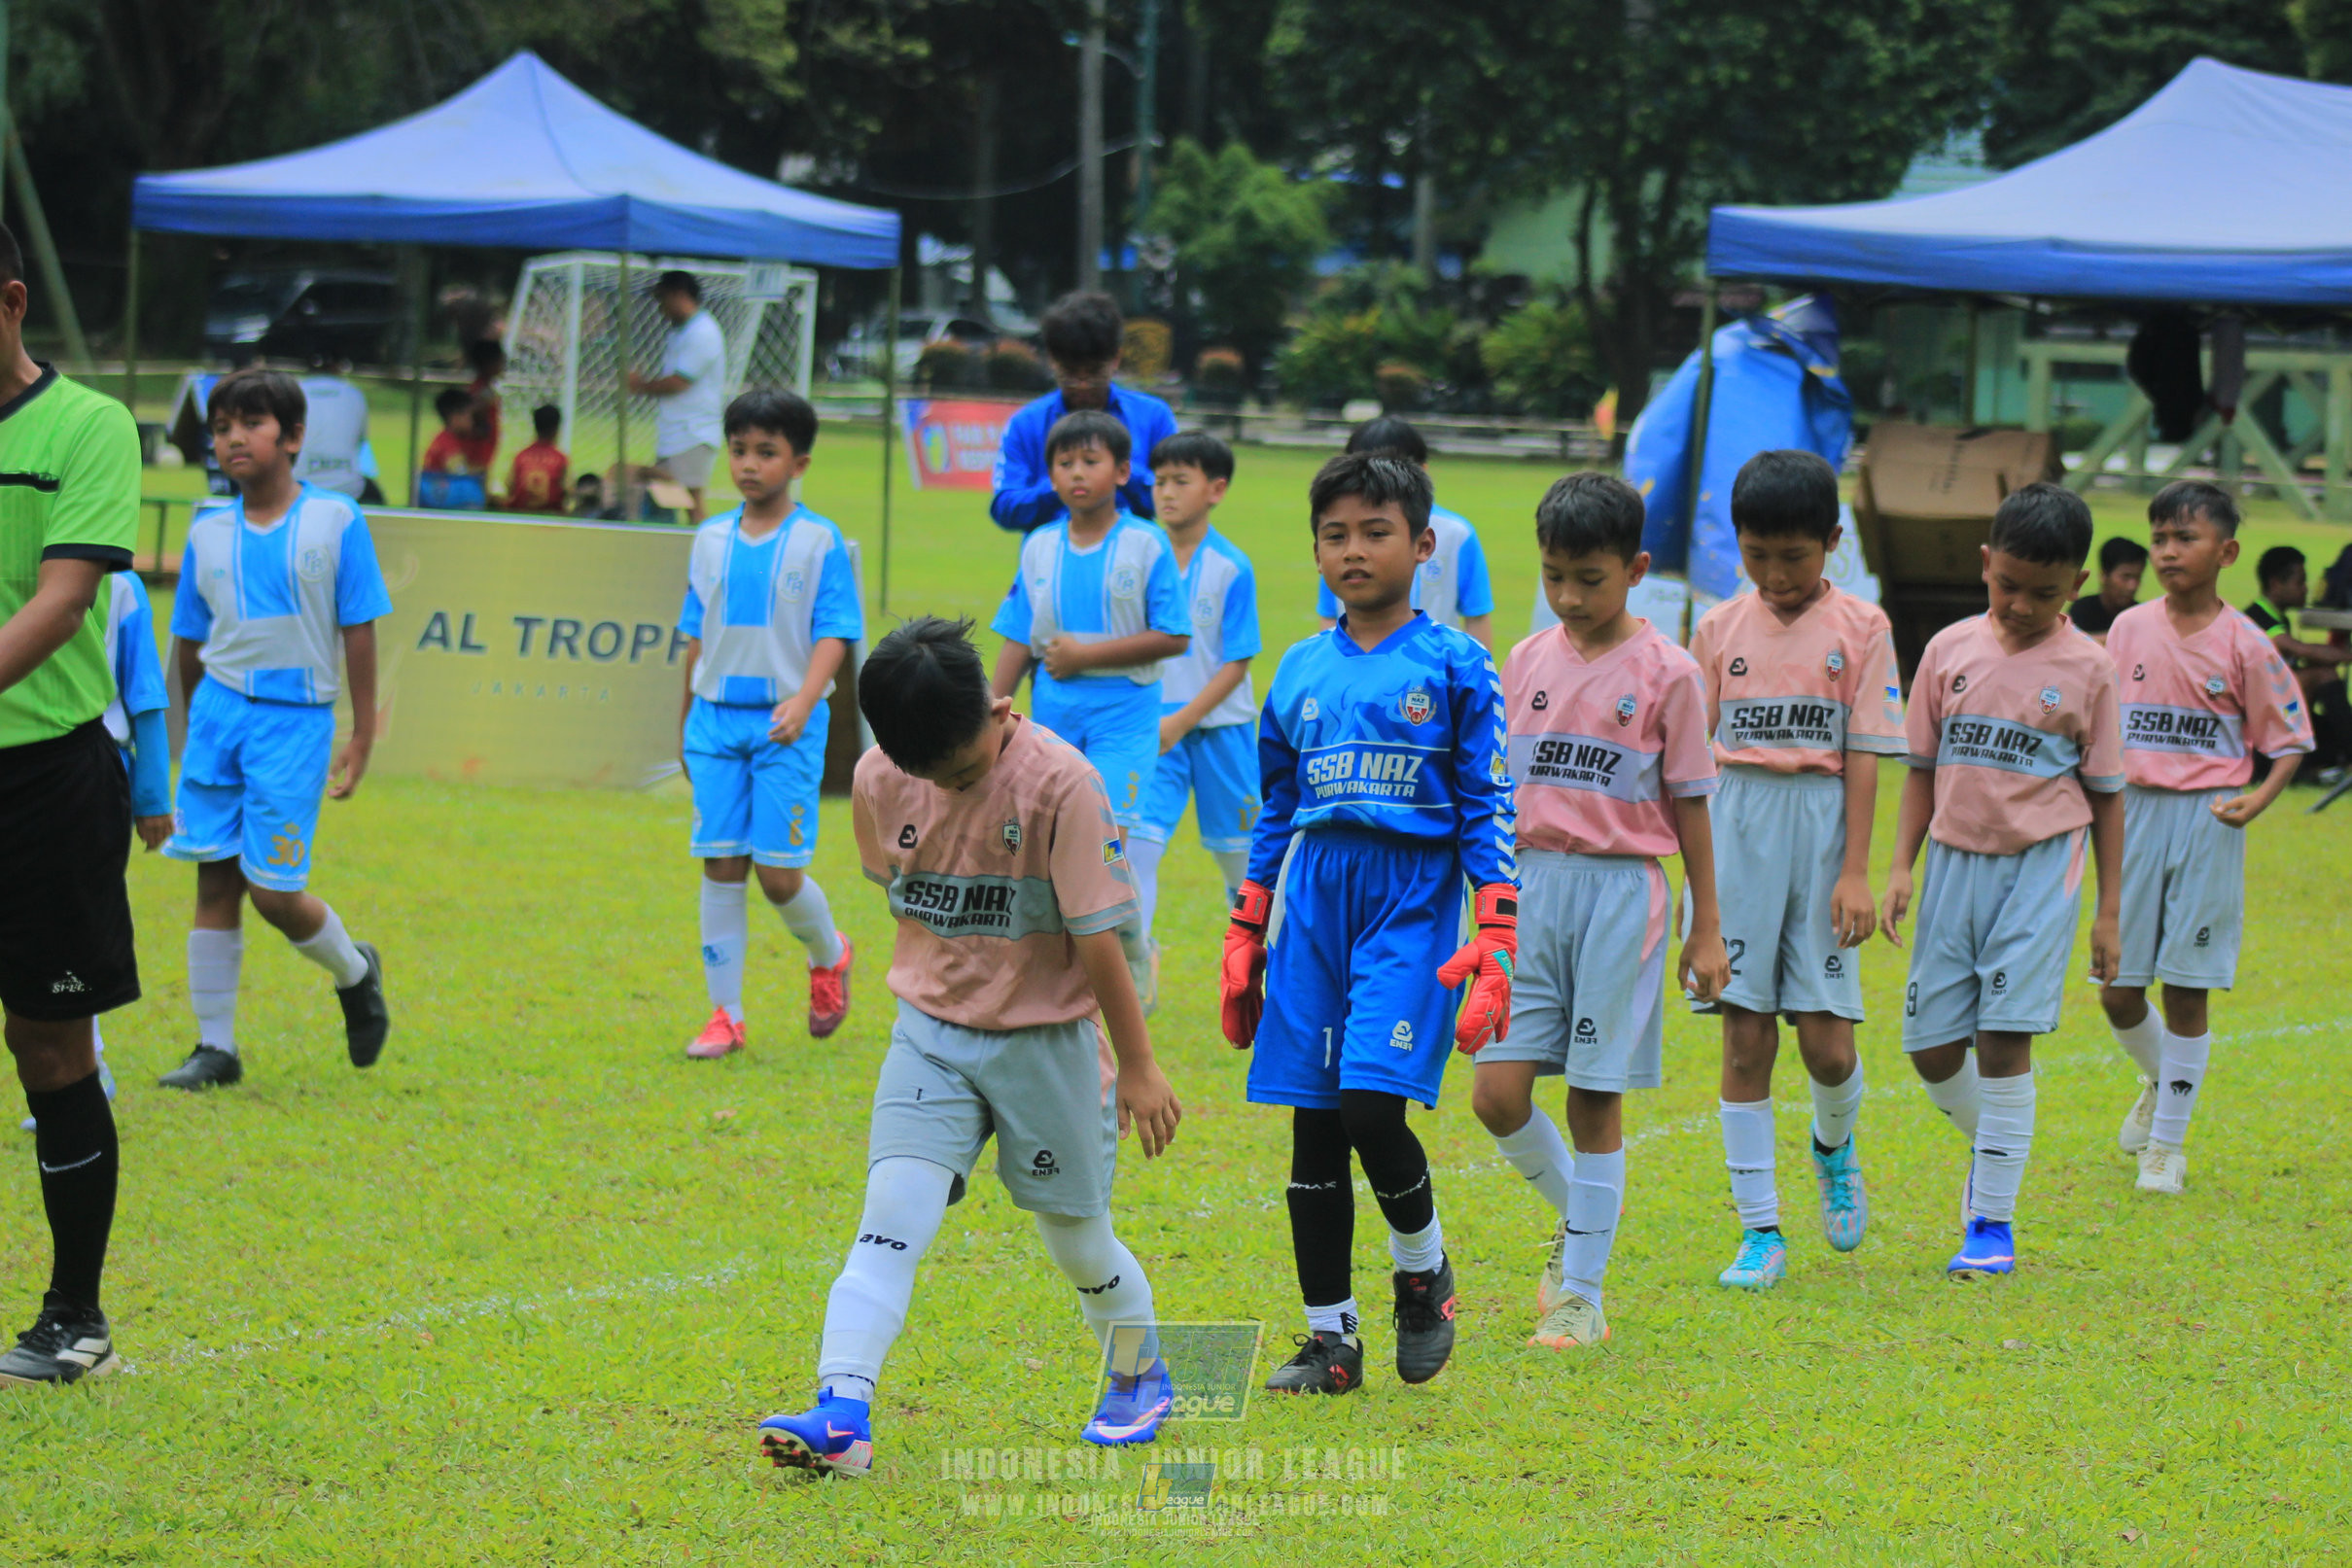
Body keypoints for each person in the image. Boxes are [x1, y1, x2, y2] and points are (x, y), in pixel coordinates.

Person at [757, 616, 1183, 1475]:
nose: (948, 788)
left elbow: (1100, 937)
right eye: (929, 775)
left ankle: (1141, 1376)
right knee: (890, 1220)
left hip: (1047, 1041)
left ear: (996, 707)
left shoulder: (1063, 783)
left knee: (1078, 1240)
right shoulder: (882, 775)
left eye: (961, 770)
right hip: (932, 1034)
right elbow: (896, 880)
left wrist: (1137, 1065)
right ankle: (843, 1410)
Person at [1218, 451, 1514, 1396]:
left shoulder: (1455, 663)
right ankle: (1330, 1340)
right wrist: (1245, 924)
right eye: (1335, 535)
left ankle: (1422, 1273)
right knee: (1311, 1125)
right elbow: (1274, 805)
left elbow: (1487, 802)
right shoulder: (1299, 666)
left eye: (1375, 531)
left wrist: (1496, 931)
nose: (1353, 550)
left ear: (1423, 545)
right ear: (1313, 550)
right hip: (1315, 904)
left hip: (1410, 901)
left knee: (1368, 1105)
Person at [1472, 471, 1731, 1351]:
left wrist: (1705, 923)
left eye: (1590, 577)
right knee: (1496, 1096)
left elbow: (1692, 803)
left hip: (1623, 893)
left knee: (1592, 1098)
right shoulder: (1524, 660)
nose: (1570, 596)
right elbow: (1495, 794)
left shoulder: (1672, 673)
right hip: (1530, 888)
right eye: (1554, 576)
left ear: (1636, 569)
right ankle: (1578, 1221)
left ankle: (1581, 1293)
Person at [1878, 482, 2125, 1279]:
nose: (2020, 604)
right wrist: (1898, 868)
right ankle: (1997, 1150)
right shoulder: (1947, 651)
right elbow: (1920, 770)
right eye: (2006, 584)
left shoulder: (2089, 668)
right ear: (1985, 564)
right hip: (1952, 862)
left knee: (2002, 1037)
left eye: (2043, 593)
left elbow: (2107, 796)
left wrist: (2108, 910)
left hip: (2040, 864)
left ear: (2075, 588)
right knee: (1928, 1046)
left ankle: (1991, 1219)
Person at [1684, 451, 1903, 1290]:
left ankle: (1833, 1146)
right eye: (1757, 554)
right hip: (1738, 828)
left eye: (1794, 556)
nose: (1775, 575)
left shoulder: (1863, 627)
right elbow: (1688, 764)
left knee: (1828, 1051)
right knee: (1743, 1038)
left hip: (1820, 831)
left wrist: (1856, 870)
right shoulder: (1715, 630)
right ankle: (1759, 1231)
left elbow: (1866, 755)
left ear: (1832, 543)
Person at [158, 368, 393, 1091]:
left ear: (292, 437)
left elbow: (358, 629)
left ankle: (354, 971)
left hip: (294, 723)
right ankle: (215, 1048)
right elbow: (190, 642)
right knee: (214, 879)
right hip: (219, 718)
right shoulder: (207, 529)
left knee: (273, 892)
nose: (232, 437)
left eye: (250, 423)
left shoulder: (335, 520)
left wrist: (359, 734)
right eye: (221, 426)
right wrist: (188, 726)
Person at [0, 221, 141, 1387]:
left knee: (48, 1040)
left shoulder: (87, 425)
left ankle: (74, 1311)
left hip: (43, 775)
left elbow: (60, 597)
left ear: (9, 301)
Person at [2099, 481, 2311, 1195]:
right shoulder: (2127, 628)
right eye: (2158, 538)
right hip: (2131, 818)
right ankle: (2165, 1080)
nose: (2166, 552)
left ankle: (2165, 1147)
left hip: (2205, 820)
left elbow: (2288, 741)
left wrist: (2256, 798)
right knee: (2116, 992)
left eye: (2182, 539)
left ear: (2225, 552)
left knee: (2186, 989)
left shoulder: (2246, 643)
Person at [677, 390, 862, 1059]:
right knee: (721, 864)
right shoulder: (708, 539)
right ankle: (725, 1015)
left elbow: (836, 632)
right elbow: (694, 634)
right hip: (715, 723)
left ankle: (828, 952)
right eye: (738, 450)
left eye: (766, 451)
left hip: (787, 724)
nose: (748, 464)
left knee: (778, 876)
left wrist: (806, 700)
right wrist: (685, 722)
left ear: (799, 461)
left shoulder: (818, 542)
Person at [989, 410, 1189, 853]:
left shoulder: (1146, 543)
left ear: (1121, 472)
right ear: (1051, 476)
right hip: (1055, 713)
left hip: (1126, 713)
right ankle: (1102, 924)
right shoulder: (1039, 545)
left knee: (1103, 841)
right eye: (1064, 463)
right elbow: (1020, 635)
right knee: (1050, 841)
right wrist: (986, 713)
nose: (1077, 472)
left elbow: (1175, 636)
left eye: (1090, 461)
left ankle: (1121, 925)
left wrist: (1084, 656)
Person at [18, 573, 169, 1134]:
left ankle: (91, 1066)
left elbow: (146, 694)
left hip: (90, 771)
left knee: (72, 927)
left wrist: (152, 797)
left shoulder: (120, 586)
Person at [1126, 431, 1259, 1009]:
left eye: (1181, 480)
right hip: (1152, 732)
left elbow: (1237, 661)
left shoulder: (1232, 567)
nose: (1166, 493)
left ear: (1217, 489)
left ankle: (1254, 965)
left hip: (1220, 732)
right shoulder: (1137, 554)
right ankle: (1138, 963)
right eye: (1159, 481)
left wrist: (1182, 720)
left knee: (1241, 861)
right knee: (1139, 850)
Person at [989, 292, 1178, 533]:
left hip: (1131, 564)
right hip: (1049, 566)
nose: (1083, 384)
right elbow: (1005, 509)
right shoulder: (1027, 424)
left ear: (1116, 359)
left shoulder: (1153, 417)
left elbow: (1173, 499)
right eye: (1070, 373)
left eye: (1094, 372)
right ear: (1052, 360)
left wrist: (1115, 473)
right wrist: (1060, 484)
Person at [1315, 417, 1494, 652]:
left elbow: (1477, 615)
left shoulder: (1457, 534)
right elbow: (1329, 613)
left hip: (1433, 672)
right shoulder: (1341, 537)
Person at [628, 270, 727, 522]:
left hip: (693, 431)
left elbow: (680, 382)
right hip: (676, 431)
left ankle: (706, 555)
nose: (660, 308)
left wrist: (641, 386)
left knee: (691, 501)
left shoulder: (703, 332)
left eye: (662, 299)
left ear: (679, 295)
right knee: (668, 498)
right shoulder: (680, 332)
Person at [2245, 545, 2352, 774]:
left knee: (2331, 737)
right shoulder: (2259, 618)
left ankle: (2331, 758)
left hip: (2276, 713)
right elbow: (2302, 650)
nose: (2305, 589)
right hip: (2257, 717)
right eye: (2300, 582)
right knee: (2322, 674)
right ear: (2276, 584)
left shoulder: (2275, 616)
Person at [294, 367, 374, 502]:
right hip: (350, 489)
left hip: (297, 487)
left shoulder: (295, 390)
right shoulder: (353, 392)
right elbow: (360, 441)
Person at [2066, 536, 2148, 644]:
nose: (2132, 586)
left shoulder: (2139, 615)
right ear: (2104, 575)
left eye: (2137, 577)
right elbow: (2071, 643)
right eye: (2126, 577)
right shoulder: (2082, 610)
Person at [415, 389, 487, 510]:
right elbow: (459, 470)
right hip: (442, 499)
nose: (472, 420)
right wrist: (481, 471)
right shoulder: (447, 442)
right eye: (469, 415)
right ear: (455, 417)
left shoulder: (444, 438)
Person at [505, 403, 570, 515]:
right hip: (550, 519)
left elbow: (509, 485)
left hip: (521, 516)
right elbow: (568, 490)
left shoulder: (520, 457)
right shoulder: (560, 459)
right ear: (556, 428)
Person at [456, 337, 507, 474]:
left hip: (484, 454)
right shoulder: (481, 391)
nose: (503, 365)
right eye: (501, 361)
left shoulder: (486, 389)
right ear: (489, 363)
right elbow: (470, 417)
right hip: (476, 455)